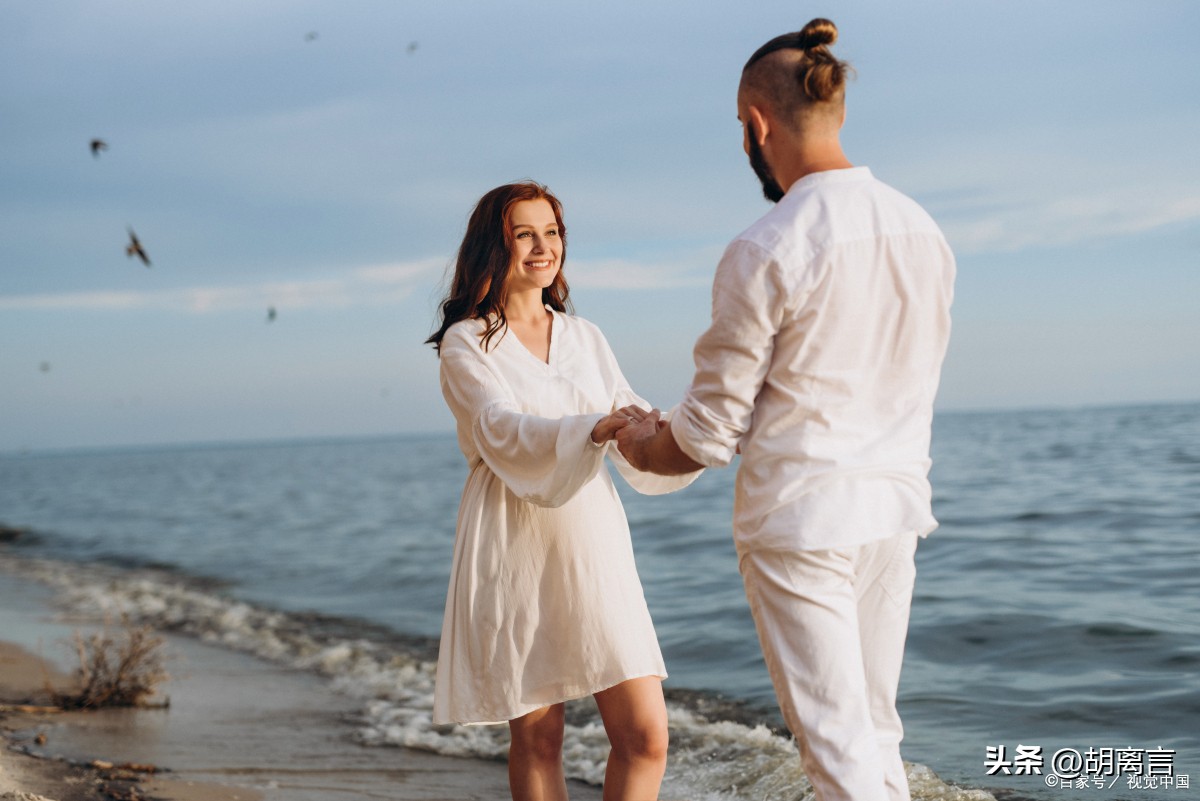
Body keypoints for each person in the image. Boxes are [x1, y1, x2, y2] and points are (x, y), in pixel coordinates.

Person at [615, 19, 955, 801]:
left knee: (837, 753)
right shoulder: (923, 231)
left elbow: (705, 434)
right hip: (894, 511)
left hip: (802, 520)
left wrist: (635, 437)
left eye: (743, 130)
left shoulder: (767, 245)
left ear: (756, 124)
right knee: (874, 730)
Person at [426, 180, 700, 801]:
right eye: (523, 234)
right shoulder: (467, 342)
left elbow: (633, 423)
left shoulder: (585, 337)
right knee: (540, 738)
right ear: (493, 248)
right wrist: (593, 427)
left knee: (645, 735)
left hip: (591, 537)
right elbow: (499, 429)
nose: (542, 247)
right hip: (512, 538)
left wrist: (701, 432)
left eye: (551, 232)